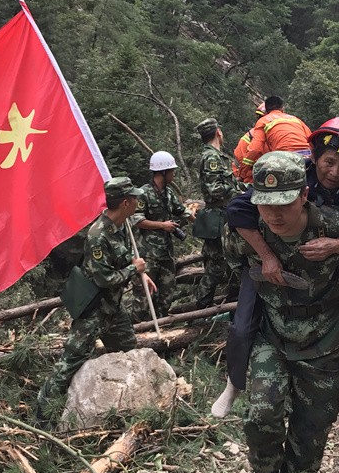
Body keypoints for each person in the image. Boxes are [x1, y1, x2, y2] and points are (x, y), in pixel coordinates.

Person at [227, 151, 339, 473]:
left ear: (304, 194)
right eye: (266, 203)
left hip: (325, 342)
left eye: (285, 204)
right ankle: (265, 472)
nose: (275, 214)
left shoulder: (336, 226)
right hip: (274, 335)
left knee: (311, 431)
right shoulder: (250, 227)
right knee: (261, 412)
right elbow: (233, 247)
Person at [213, 117, 339, 421]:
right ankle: (233, 385)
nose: (334, 172)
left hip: (325, 270)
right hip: (273, 262)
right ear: (316, 156)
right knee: (242, 325)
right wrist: (266, 255)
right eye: (329, 162)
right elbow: (238, 208)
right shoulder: (292, 173)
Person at [36, 177, 155, 421]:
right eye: (133, 197)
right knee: (70, 362)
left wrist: (142, 273)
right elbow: (104, 279)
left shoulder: (122, 227)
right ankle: (42, 416)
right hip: (94, 310)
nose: (137, 201)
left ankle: (126, 406)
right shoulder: (98, 236)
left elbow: (124, 260)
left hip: (113, 309)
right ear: (125, 203)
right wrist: (134, 270)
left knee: (128, 351)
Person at [130, 152, 193, 320]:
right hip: (148, 254)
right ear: (163, 172)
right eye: (171, 171)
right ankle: (138, 331)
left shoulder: (168, 192)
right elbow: (137, 220)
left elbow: (180, 209)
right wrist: (162, 225)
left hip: (165, 253)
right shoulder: (144, 193)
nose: (173, 174)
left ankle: (161, 326)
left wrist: (193, 215)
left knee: (166, 293)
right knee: (144, 296)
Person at [194, 118, 244, 309]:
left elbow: (229, 184)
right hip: (217, 217)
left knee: (230, 261)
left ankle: (232, 303)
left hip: (224, 215)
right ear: (218, 133)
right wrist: (239, 194)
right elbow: (214, 189)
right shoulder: (211, 158)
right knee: (216, 265)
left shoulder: (216, 156)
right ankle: (201, 309)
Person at [238, 96, 311, 183]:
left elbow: (255, 149)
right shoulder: (296, 120)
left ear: (267, 110)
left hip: (286, 160)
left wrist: (242, 174)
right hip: (308, 157)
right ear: (282, 108)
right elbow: (312, 140)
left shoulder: (263, 121)